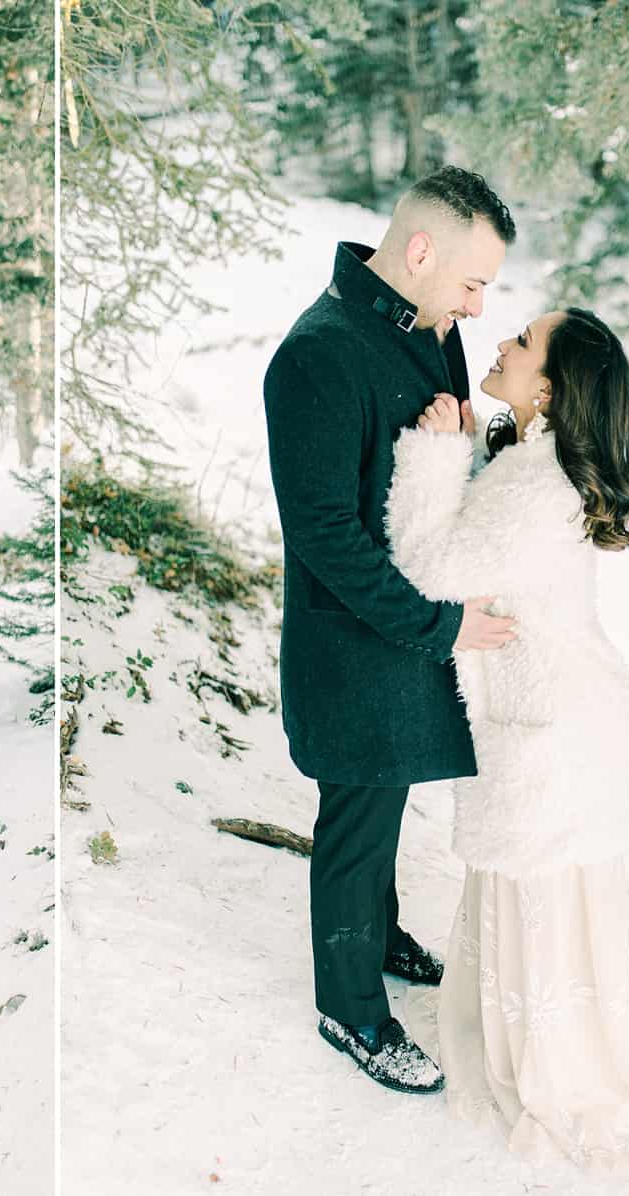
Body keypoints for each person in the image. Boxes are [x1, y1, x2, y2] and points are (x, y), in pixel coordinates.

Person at [385, 308, 629, 1167]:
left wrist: (433, 453)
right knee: (551, 904)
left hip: (553, 733)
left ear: (551, 390)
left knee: (543, 904)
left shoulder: (537, 488)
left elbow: (427, 565)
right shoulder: (539, 471)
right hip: (566, 718)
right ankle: (549, 1045)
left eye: (521, 342)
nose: (500, 343)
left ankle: (553, 1068)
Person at [262, 165, 520, 1095]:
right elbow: (324, 532)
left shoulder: (430, 329)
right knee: (358, 818)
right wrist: (439, 626)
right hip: (353, 639)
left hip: (407, 630)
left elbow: (432, 458)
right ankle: (350, 1008)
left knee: (391, 794)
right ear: (420, 252)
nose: (479, 305)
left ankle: (383, 933)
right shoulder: (316, 355)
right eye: (471, 280)